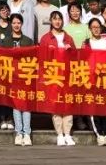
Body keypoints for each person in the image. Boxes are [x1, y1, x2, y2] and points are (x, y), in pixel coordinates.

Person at [39, 10, 76, 146]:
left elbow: (76, 57)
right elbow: (41, 59)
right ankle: (59, 133)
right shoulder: (45, 38)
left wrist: (69, 50)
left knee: (67, 104)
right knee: (55, 104)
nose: (57, 21)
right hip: (52, 76)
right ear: (51, 21)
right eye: (54, 19)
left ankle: (68, 133)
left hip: (66, 76)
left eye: (59, 19)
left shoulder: (68, 38)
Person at [0, 13, 34, 145]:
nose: (16, 25)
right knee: (16, 106)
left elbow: (33, 58)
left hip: (25, 77)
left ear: (22, 24)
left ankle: (27, 133)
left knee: (26, 106)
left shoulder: (28, 41)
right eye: (14, 23)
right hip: (12, 77)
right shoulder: (6, 41)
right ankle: (18, 133)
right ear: (11, 24)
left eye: (18, 23)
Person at [84, 19, 106, 146]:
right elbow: (83, 59)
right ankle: (99, 134)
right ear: (90, 29)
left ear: (101, 28)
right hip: (92, 79)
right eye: (93, 27)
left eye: (98, 27)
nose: (96, 29)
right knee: (94, 107)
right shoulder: (86, 43)